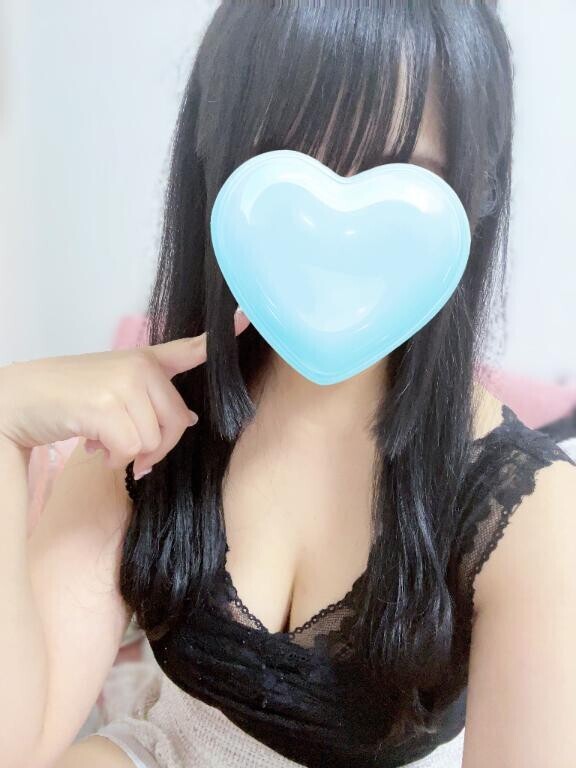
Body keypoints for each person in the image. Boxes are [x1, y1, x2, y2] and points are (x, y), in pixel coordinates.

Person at [1, 2, 575, 767]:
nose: (335, 228)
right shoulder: (153, 421)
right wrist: (5, 422)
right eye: (287, 165)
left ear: (478, 192)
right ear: (216, 162)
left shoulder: (526, 515)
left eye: (401, 175)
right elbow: (17, 740)